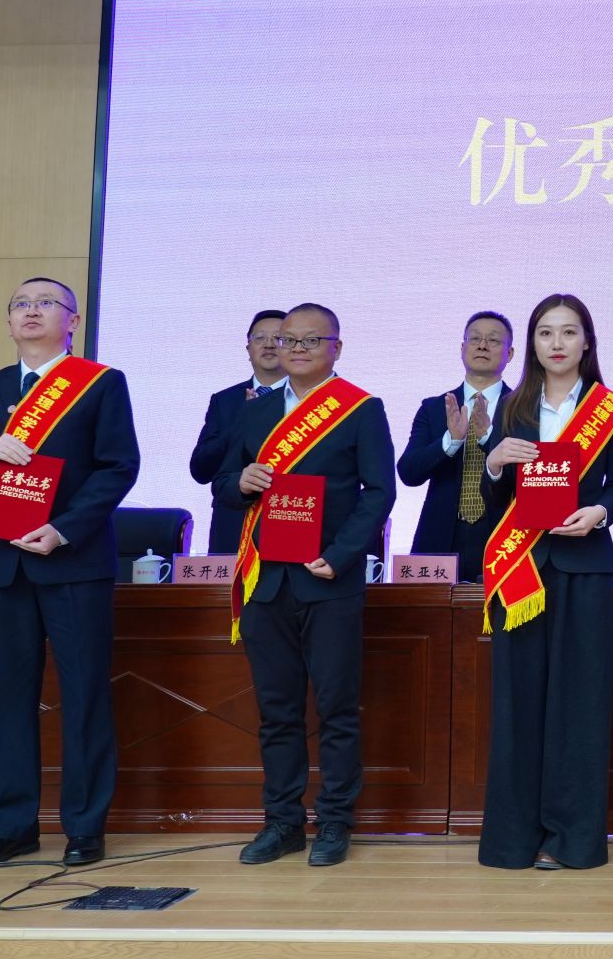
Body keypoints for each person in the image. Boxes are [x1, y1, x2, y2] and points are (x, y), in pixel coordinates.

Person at [0, 277, 139, 868]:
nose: (31, 311)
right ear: (8, 322)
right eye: (20, 304)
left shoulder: (100, 383)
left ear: (72, 321)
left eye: (45, 303)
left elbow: (118, 467)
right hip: (4, 564)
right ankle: (9, 827)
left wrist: (64, 528)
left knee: (83, 695)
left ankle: (84, 826)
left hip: (72, 561)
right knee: (11, 697)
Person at [212, 303, 394, 868]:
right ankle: (282, 822)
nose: (295, 349)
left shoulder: (361, 408)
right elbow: (223, 482)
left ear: (336, 347)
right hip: (266, 578)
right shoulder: (256, 410)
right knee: (277, 710)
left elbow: (379, 493)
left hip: (327, 578)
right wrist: (240, 481)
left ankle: (335, 820)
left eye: (311, 340)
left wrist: (340, 557)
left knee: (336, 708)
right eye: (289, 340)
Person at [478, 294, 613, 870]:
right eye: (546, 332)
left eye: (569, 332)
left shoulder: (610, 409)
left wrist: (601, 511)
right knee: (518, 703)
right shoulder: (511, 406)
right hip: (520, 568)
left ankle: (572, 839)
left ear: (587, 341)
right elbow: (490, 497)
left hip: (583, 566)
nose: (558, 343)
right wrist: (494, 461)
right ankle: (513, 839)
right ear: (533, 343)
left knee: (580, 703)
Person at [396, 310, 515, 582]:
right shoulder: (434, 408)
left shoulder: (525, 409)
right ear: (462, 349)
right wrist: (452, 442)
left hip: (504, 537)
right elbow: (408, 472)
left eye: (493, 340)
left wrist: (487, 438)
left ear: (509, 354)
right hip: (439, 538)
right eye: (475, 339)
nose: (482, 345)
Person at [189, 310, 288, 554]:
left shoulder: (310, 401)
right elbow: (201, 470)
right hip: (233, 525)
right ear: (248, 349)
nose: (269, 344)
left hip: (289, 520)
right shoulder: (225, 401)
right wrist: (242, 422)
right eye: (260, 338)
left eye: (279, 338)